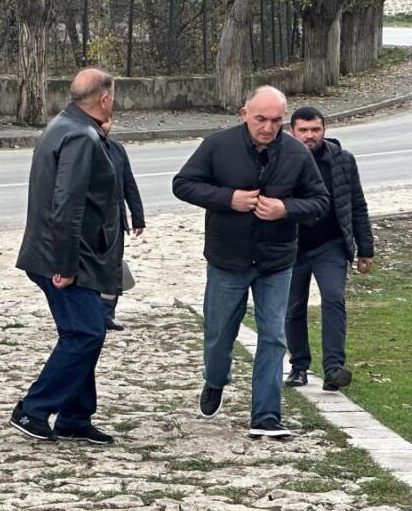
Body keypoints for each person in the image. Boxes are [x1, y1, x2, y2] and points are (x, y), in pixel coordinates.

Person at [173, 85, 329, 438]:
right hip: (227, 258)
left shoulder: (296, 154)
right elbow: (183, 184)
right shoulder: (218, 145)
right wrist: (229, 199)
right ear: (244, 114)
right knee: (218, 335)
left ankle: (266, 415)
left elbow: (320, 201)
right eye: (261, 119)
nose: (268, 127)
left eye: (276, 120)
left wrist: (285, 209)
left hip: (276, 260)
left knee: (273, 337)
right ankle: (215, 378)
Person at [12, 69, 122, 445]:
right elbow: (67, 205)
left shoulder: (62, 123)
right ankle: (33, 408)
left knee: (80, 332)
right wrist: (65, 264)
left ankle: (75, 416)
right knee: (86, 333)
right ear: (104, 99)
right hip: (63, 257)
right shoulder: (80, 134)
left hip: (63, 252)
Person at [285, 106, 375, 391]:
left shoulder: (343, 161)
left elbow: (357, 204)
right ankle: (299, 367)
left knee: (334, 299)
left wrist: (366, 248)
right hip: (292, 247)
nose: (310, 136)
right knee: (293, 307)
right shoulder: (281, 159)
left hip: (331, 245)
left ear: (324, 129)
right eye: (304, 130)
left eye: (315, 130)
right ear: (292, 132)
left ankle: (334, 368)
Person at [101, 120, 145, 331]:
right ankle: (91, 312)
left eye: (107, 121)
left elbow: (129, 183)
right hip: (91, 224)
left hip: (116, 222)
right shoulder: (79, 147)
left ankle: (108, 313)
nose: (104, 125)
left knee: (114, 269)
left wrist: (138, 216)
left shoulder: (117, 148)